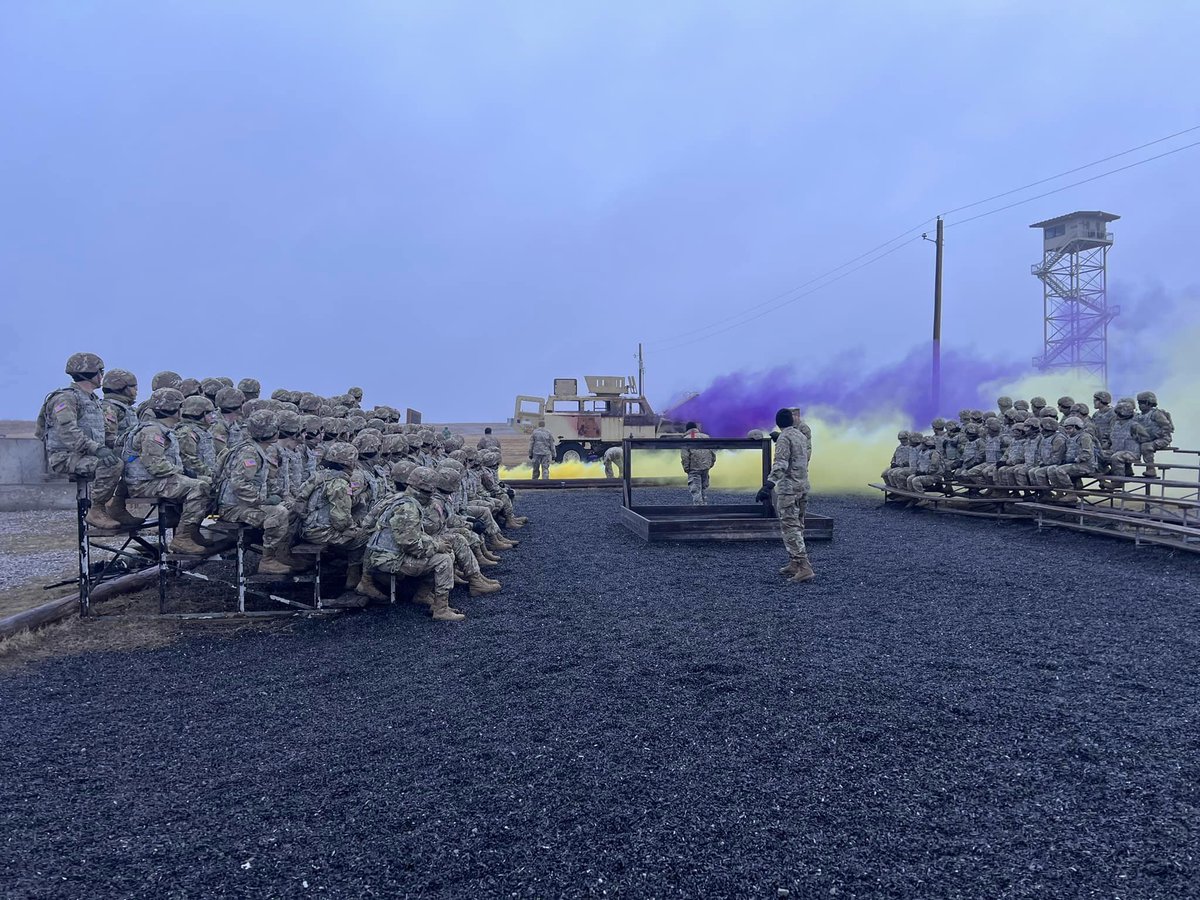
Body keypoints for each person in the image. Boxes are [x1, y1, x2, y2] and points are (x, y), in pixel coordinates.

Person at [36, 352, 127, 529]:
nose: (102, 376)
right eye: (100, 371)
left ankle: (117, 507)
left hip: (87, 454)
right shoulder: (66, 398)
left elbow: (104, 434)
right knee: (113, 465)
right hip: (67, 457)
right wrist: (96, 449)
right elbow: (68, 431)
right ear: (89, 374)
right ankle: (96, 510)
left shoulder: (92, 400)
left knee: (126, 462)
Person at [364, 465, 464, 622]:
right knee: (443, 560)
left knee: (443, 552)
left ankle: (425, 596)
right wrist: (437, 546)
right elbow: (410, 543)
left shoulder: (399, 498)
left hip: (383, 554)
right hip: (390, 559)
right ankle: (441, 609)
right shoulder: (408, 507)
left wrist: (435, 543)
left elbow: (413, 535)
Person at [120, 388, 214, 555]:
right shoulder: (153, 432)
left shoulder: (162, 429)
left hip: (153, 480)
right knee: (198, 488)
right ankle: (183, 537)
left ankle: (192, 533)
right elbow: (156, 466)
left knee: (208, 484)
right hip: (145, 483)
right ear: (174, 409)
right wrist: (182, 472)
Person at [213, 409, 303, 575]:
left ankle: (281, 554)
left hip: (243, 504)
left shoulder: (257, 449)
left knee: (290, 509)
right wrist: (264, 500)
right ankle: (267, 560)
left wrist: (282, 496)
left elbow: (264, 482)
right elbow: (239, 484)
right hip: (233, 508)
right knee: (278, 513)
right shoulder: (250, 452)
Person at [756, 408, 813, 583]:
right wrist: (778, 440)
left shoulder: (785, 438)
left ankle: (804, 567)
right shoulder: (800, 436)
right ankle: (794, 563)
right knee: (799, 524)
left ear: (778, 422)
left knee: (790, 526)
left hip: (789, 489)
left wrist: (768, 485)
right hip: (802, 486)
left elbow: (780, 464)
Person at [1135, 391, 1174, 477]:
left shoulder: (1156, 414)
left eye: (1143, 402)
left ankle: (1151, 469)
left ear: (1149, 402)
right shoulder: (1139, 416)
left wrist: (1155, 434)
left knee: (1146, 446)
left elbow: (1167, 427)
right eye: (1139, 402)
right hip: (1147, 439)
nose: (1140, 405)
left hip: (1163, 439)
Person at [680, 422, 716, 505]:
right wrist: (711, 463)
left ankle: (699, 508)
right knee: (704, 488)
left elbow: (685, 456)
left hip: (694, 468)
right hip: (706, 466)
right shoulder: (706, 437)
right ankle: (705, 506)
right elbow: (713, 452)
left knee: (696, 490)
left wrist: (686, 468)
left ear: (687, 429)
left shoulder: (686, 439)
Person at [100, 368, 140, 443]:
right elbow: (108, 438)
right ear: (122, 387)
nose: (136, 390)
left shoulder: (128, 408)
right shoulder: (110, 408)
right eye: (133, 387)